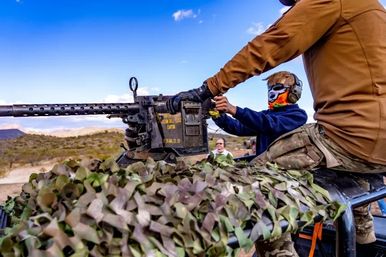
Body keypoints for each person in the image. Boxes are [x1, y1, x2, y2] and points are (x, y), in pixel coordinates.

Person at [166, 0, 386, 256]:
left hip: (352, 135)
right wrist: (219, 116)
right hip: (371, 143)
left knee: (251, 181)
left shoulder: (294, 114)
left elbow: (272, 43)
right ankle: (367, 248)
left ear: (293, 93)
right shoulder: (370, 10)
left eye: (279, 89)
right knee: (355, 192)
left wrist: (208, 89)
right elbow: (245, 128)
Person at [212, 71, 307, 156]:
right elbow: (238, 127)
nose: (271, 92)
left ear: (294, 91)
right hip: (263, 168)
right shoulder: (266, 114)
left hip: (283, 171)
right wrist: (216, 114)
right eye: (269, 89)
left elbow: (270, 125)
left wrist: (233, 109)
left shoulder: (298, 115)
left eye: (277, 87)